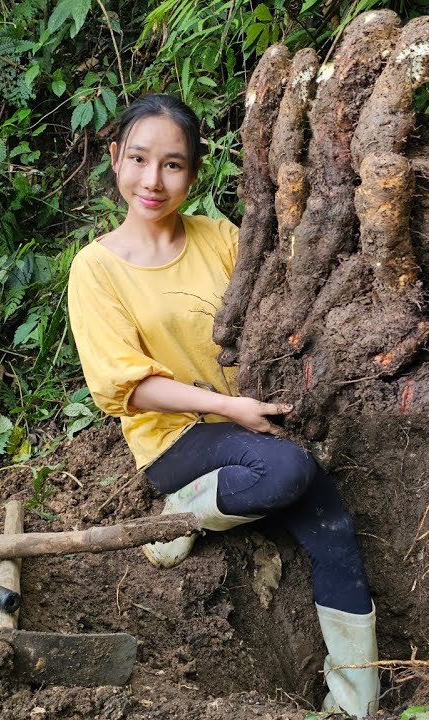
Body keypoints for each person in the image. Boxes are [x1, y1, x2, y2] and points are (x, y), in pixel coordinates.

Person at [66, 94, 378, 718]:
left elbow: (273, 317)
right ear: (114, 161)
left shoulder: (221, 238)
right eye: (139, 159)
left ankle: (355, 702)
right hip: (176, 438)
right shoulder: (95, 269)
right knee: (287, 471)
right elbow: (122, 387)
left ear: (194, 173)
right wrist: (229, 408)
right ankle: (184, 510)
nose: (153, 181)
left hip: (249, 419)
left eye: (173, 165)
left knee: (333, 523)